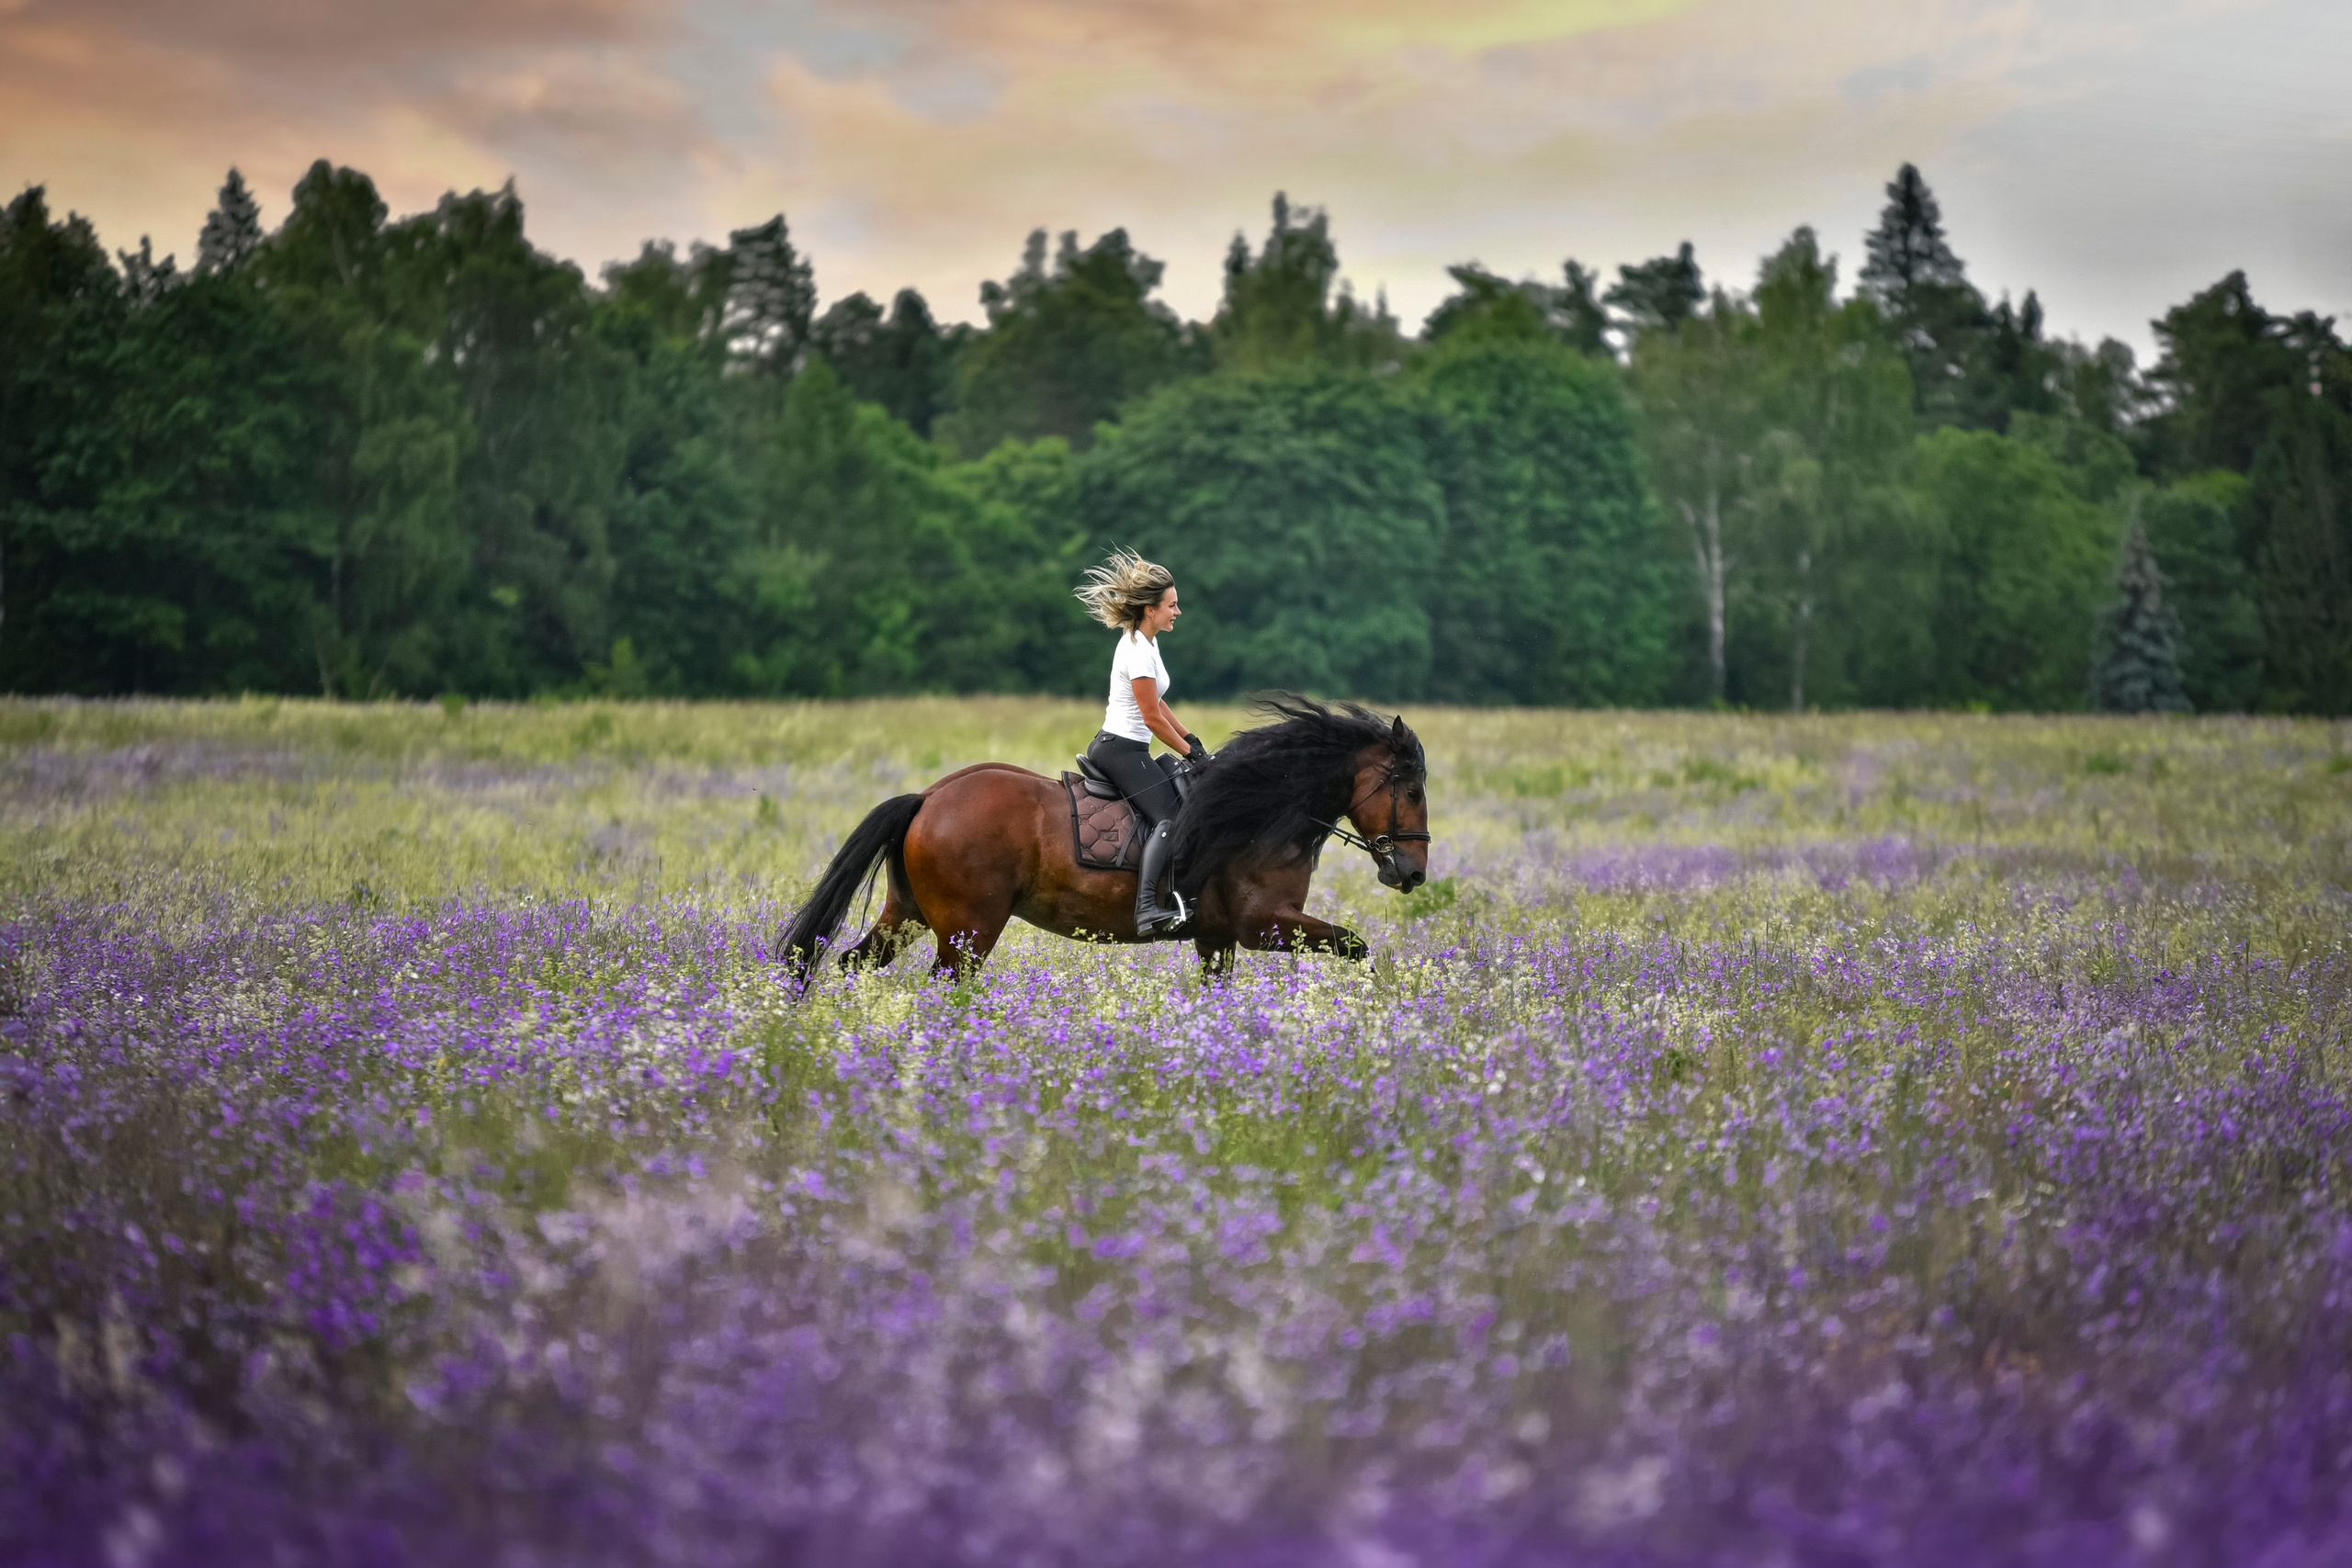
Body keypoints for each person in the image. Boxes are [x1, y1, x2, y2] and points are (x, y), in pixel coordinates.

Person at [1075, 550, 1208, 935]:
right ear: (1151, 610)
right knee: (1169, 818)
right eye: (1172, 605)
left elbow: (1157, 702)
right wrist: (1188, 752)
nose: (1178, 612)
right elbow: (1150, 717)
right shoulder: (1136, 650)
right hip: (1120, 749)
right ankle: (1147, 908)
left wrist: (1190, 739)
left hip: (1130, 747)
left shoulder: (1148, 643)